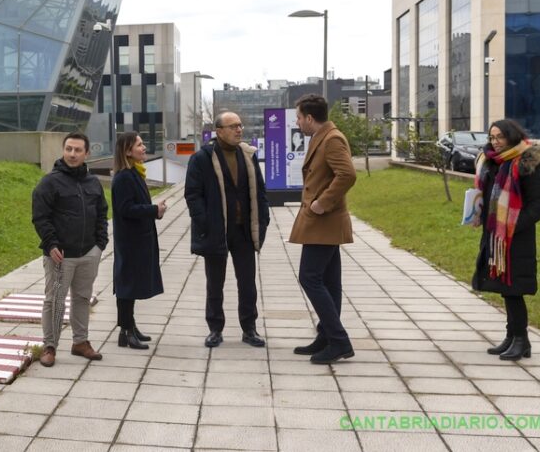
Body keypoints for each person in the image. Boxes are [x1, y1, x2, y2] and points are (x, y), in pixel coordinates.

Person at [185, 112, 270, 348]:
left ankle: (249, 328)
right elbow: (193, 194)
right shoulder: (202, 158)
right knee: (215, 283)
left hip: (244, 231)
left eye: (240, 125)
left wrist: (263, 219)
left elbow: (260, 192)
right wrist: (204, 222)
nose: (239, 130)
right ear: (219, 131)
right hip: (216, 231)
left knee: (247, 283)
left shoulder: (248, 155)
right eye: (233, 126)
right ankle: (215, 328)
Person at [471, 119, 540, 361]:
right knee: (505, 289)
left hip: (516, 238)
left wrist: (513, 225)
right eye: (492, 137)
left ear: (512, 137)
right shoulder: (492, 162)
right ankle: (511, 336)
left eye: (499, 138)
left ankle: (521, 341)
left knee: (513, 289)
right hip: (496, 235)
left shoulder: (525, 164)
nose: (494, 142)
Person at [288, 94, 357, 364]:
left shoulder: (332, 139)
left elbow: (348, 174)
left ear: (309, 118)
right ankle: (327, 335)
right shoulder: (321, 137)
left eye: (298, 117)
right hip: (322, 223)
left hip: (324, 221)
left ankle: (339, 340)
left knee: (309, 277)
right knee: (329, 282)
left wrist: (321, 203)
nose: (297, 122)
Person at [31, 132, 109, 367]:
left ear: (87, 153)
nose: (72, 154)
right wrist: (51, 244)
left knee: (82, 298)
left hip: (88, 254)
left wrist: (100, 244)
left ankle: (80, 342)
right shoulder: (49, 182)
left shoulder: (93, 182)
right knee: (55, 300)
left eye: (77, 150)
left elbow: (102, 214)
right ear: (63, 151)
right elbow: (40, 217)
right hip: (60, 256)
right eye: (68, 149)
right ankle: (50, 346)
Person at [111, 132, 166, 350]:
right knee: (127, 286)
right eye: (139, 144)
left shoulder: (135, 173)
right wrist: (154, 209)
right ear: (127, 151)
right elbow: (126, 209)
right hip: (130, 241)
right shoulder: (124, 177)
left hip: (137, 239)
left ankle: (130, 327)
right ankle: (125, 330)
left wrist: (155, 211)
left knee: (130, 285)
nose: (144, 148)